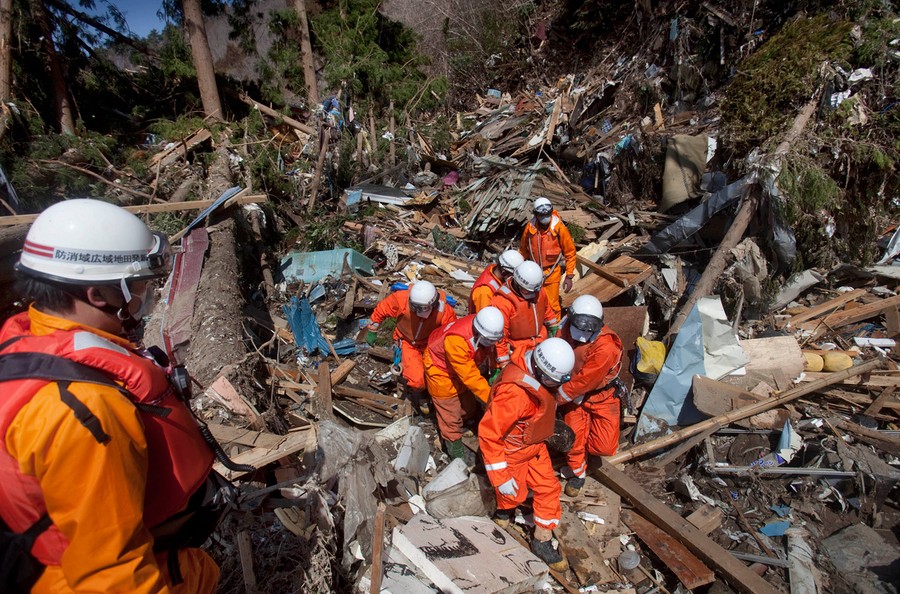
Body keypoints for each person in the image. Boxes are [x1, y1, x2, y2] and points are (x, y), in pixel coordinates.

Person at [0, 199, 221, 593]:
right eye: (138, 287)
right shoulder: (84, 411)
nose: (146, 297)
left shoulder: (33, 337)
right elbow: (111, 577)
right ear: (101, 294)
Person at [479, 337, 575, 572]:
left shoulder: (537, 361)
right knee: (513, 493)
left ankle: (541, 540)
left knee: (549, 488)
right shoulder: (514, 395)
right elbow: (489, 433)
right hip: (512, 451)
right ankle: (503, 511)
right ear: (541, 373)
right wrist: (500, 476)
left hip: (534, 446)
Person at [555, 295, 624, 497]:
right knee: (574, 438)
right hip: (571, 395)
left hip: (600, 396)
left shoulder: (606, 347)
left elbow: (587, 380)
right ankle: (578, 473)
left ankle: (589, 454)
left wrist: (557, 399)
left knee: (604, 445)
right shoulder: (565, 327)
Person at [423, 306, 505, 459]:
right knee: (450, 414)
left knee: (468, 407)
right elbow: (470, 377)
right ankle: (455, 450)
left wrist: (495, 368)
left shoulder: (486, 323)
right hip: (439, 369)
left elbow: (493, 349)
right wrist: (492, 398)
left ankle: (459, 421)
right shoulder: (457, 341)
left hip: (458, 366)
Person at [366, 280, 457, 413]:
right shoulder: (401, 299)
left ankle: (438, 396)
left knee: (439, 374)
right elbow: (382, 309)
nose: (418, 311)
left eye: (422, 308)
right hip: (407, 341)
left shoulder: (444, 311)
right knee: (417, 380)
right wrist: (372, 328)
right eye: (415, 307)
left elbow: (452, 332)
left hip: (430, 343)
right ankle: (422, 393)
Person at [490, 260, 558, 370]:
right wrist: (503, 363)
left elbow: (547, 311)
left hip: (541, 344)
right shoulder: (502, 302)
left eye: (533, 292)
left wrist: (554, 328)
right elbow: (500, 338)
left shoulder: (538, 291)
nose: (531, 295)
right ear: (517, 283)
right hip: (518, 351)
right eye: (527, 291)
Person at [519, 196, 577, 319]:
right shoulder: (530, 228)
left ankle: (554, 331)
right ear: (536, 215)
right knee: (531, 302)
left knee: (552, 304)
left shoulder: (559, 228)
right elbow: (523, 249)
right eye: (541, 215)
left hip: (552, 272)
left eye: (547, 215)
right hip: (533, 271)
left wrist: (569, 275)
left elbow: (570, 252)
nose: (545, 218)